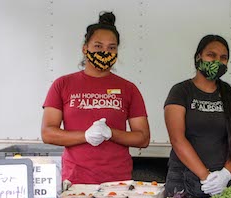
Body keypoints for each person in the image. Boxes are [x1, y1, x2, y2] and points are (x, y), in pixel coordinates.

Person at [41, 12, 150, 185]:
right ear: (85, 48)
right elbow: (47, 133)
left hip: (117, 181)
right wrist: (85, 135)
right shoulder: (62, 84)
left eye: (111, 47)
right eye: (98, 46)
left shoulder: (128, 88)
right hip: (75, 180)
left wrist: (110, 133)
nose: (105, 52)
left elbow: (143, 138)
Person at [164, 35, 231, 198]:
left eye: (223, 58)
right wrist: (205, 176)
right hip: (184, 178)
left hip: (224, 182)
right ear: (198, 57)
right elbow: (177, 139)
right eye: (211, 55)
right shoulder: (180, 91)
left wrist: (225, 175)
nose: (217, 61)